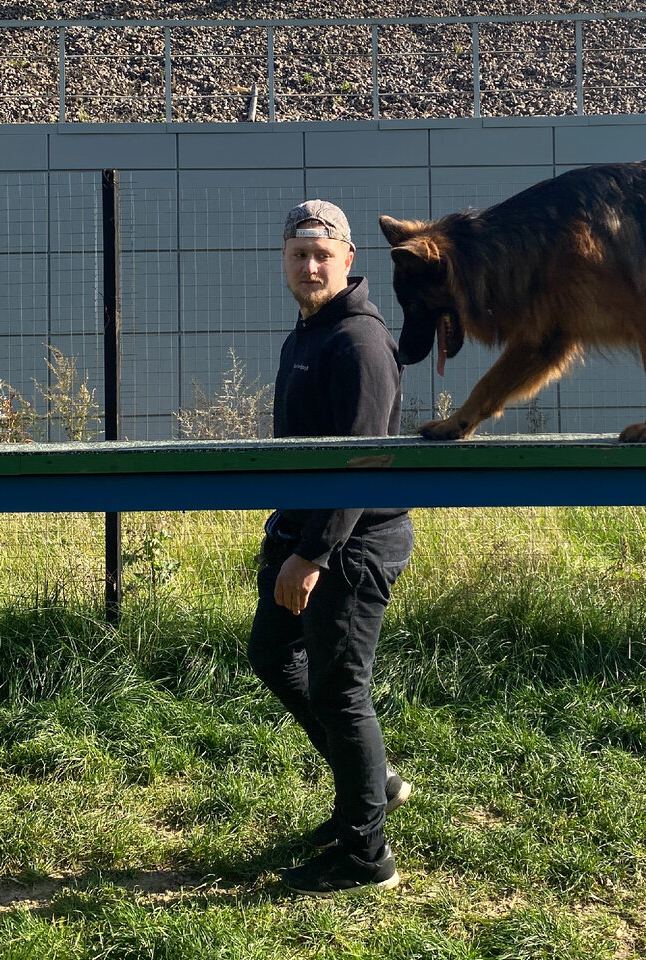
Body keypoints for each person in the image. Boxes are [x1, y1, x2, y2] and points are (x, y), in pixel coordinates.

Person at [247, 199, 414, 895]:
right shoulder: (307, 332)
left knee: (341, 690)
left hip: (351, 543)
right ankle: (372, 786)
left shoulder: (358, 342)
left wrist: (312, 556)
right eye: (298, 255)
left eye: (324, 255)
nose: (310, 266)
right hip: (305, 530)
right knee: (272, 653)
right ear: (284, 262)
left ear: (349, 260)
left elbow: (364, 460)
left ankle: (365, 856)